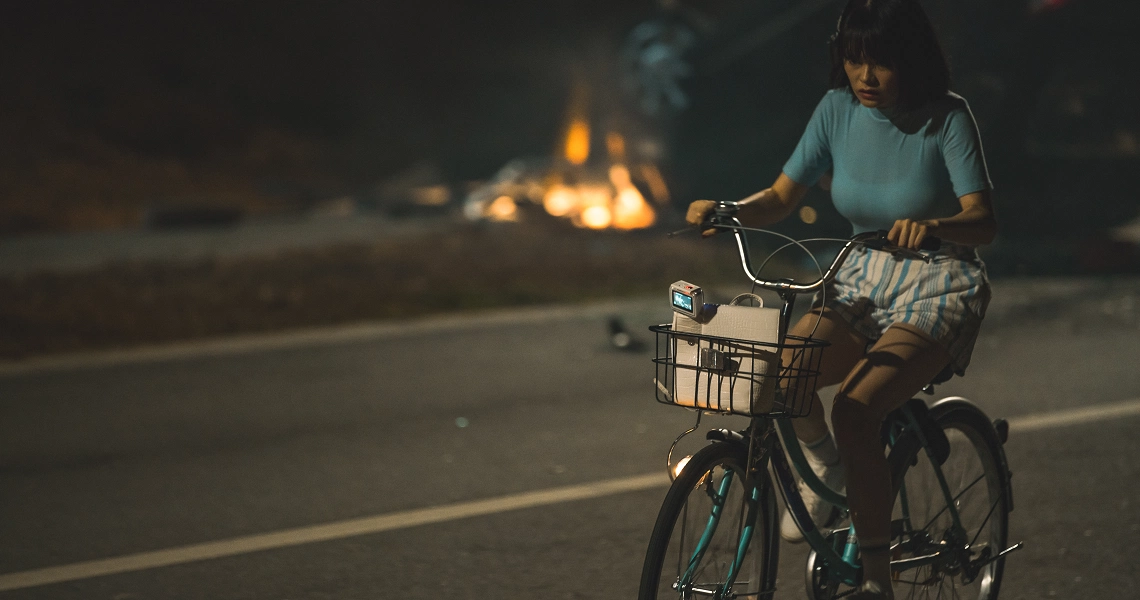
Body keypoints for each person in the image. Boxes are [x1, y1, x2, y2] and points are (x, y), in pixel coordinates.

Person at [686, 0, 996, 598]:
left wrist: (935, 225)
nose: (866, 76)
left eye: (880, 62)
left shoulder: (947, 118)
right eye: (854, 60)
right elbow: (779, 196)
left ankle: (876, 578)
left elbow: (983, 220)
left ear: (910, 60)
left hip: (936, 282)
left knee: (857, 410)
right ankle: (824, 460)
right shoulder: (836, 111)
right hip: (858, 276)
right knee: (777, 371)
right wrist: (729, 210)